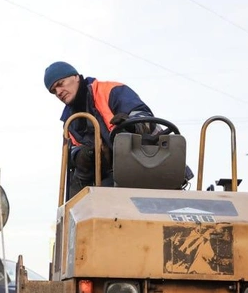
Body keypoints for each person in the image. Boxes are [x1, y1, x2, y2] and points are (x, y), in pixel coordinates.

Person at [43, 61, 164, 194]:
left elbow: (144, 117)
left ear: (76, 77)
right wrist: (80, 155)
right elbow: (71, 152)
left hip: (149, 165)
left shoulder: (111, 91)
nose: (58, 92)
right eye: (54, 91)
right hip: (110, 181)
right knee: (78, 188)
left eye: (60, 84)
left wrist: (130, 125)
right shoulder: (70, 122)